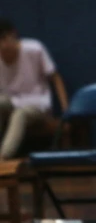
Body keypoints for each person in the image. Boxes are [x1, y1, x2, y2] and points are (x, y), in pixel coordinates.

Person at [0, 18, 68, 160]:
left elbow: (55, 77)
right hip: (11, 102)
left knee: (20, 115)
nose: (3, 46)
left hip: (37, 104)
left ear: (14, 35)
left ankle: (2, 159)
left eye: (4, 39)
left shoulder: (34, 49)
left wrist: (66, 110)